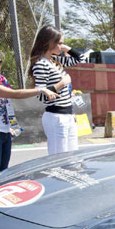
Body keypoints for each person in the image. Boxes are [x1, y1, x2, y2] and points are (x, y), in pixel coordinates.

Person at [0, 50, 58, 174]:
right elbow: (15, 94)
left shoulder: (1, 79)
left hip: (4, 131)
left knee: (2, 175)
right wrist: (40, 89)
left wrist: (11, 125)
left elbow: (7, 104)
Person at [29, 25, 86, 155]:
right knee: (58, 158)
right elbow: (41, 95)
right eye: (59, 43)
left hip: (68, 116)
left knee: (72, 157)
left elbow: (80, 58)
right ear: (50, 42)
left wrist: (65, 47)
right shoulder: (41, 64)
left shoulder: (55, 61)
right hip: (56, 117)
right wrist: (62, 83)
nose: (61, 46)